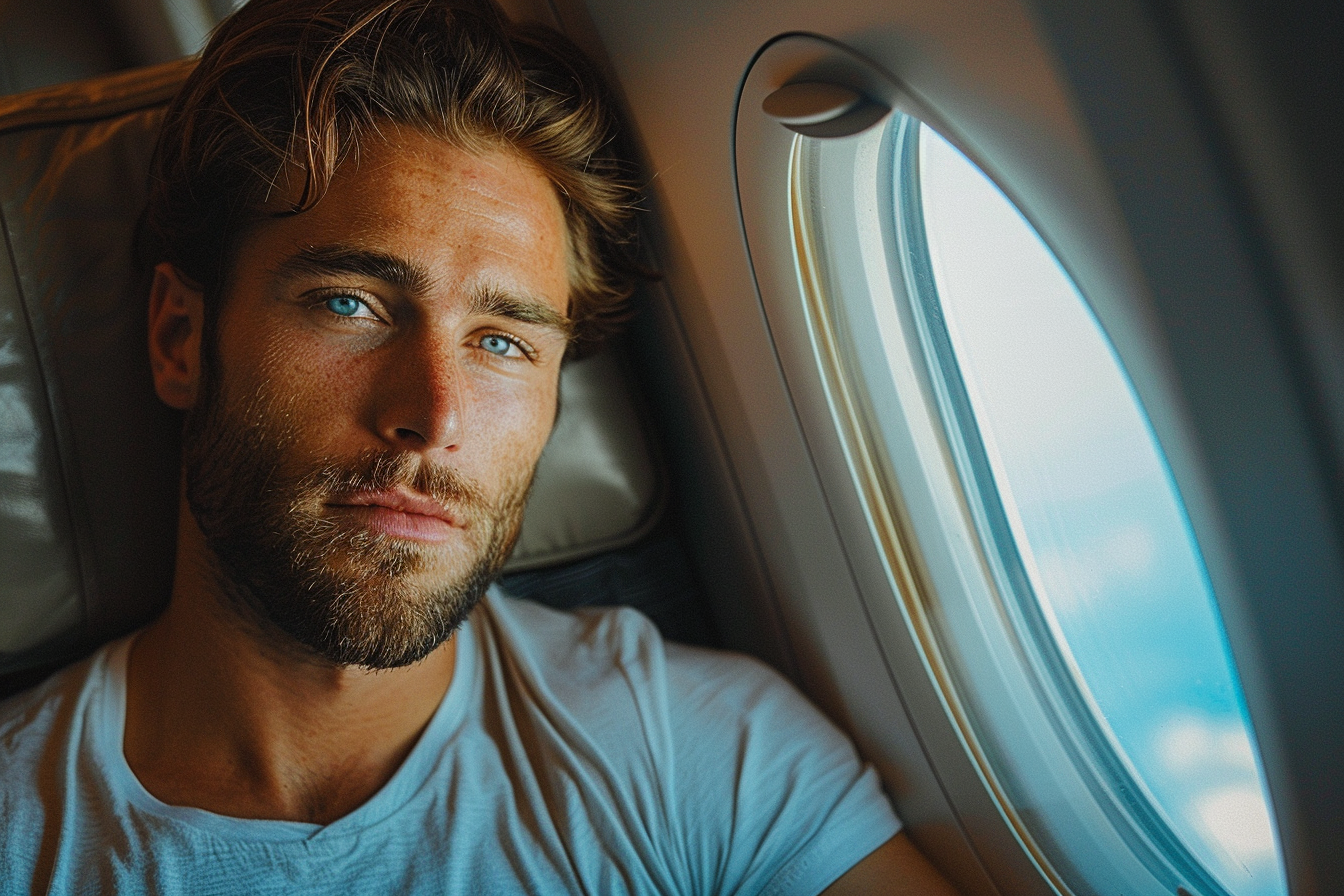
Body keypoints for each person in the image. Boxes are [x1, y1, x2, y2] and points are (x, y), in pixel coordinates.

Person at [0, 1, 959, 892]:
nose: (435, 416)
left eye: (502, 340)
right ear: (179, 338)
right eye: (352, 304)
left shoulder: (699, 754)